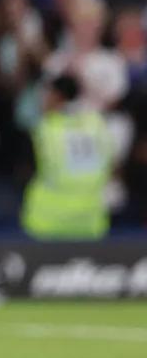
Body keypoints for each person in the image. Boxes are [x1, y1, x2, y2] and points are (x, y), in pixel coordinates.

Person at [21, 73, 114, 239]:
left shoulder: (46, 129)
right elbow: (110, 163)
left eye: (46, 95)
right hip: (90, 221)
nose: (43, 101)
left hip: (47, 222)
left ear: (57, 97)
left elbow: (26, 168)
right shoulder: (97, 124)